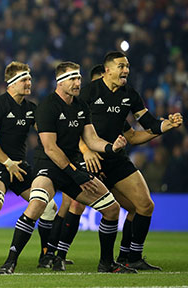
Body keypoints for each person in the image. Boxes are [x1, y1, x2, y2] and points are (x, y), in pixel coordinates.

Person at [0, 61, 135, 275]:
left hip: (73, 166)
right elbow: (50, 148)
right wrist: (76, 174)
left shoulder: (81, 106)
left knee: (112, 209)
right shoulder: (46, 107)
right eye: (72, 78)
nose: (78, 82)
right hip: (49, 167)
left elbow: (91, 139)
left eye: (79, 78)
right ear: (60, 82)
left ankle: (106, 263)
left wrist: (111, 147)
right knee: (36, 206)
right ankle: (10, 262)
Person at [51, 52, 183, 271]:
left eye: (128, 66)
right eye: (121, 66)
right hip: (89, 159)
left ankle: (131, 257)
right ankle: (58, 256)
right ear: (108, 70)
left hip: (116, 159)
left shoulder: (129, 94)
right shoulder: (88, 93)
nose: (126, 70)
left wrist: (165, 126)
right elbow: (72, 127)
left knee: (143, 206)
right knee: (75, 204)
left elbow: (147, 123)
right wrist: (84, 151)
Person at [0, 62, 58, 267]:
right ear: (11, 83)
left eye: (29, 79)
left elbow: (47, 133)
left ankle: (46, 255)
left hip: (20, 167)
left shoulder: (31, 109)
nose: (29, 82)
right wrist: (7, 163)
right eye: (24, 79)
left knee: (49, 206)